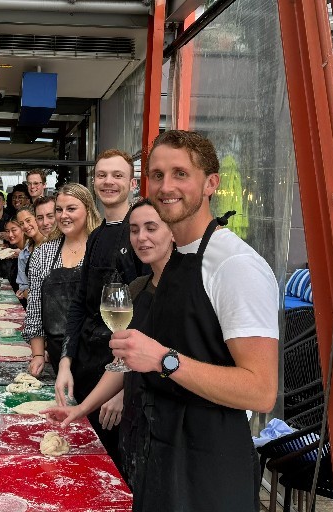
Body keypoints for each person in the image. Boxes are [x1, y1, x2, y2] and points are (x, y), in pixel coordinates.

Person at [46, 131, 279, 511]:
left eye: (180, 174)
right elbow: (132, 359)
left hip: (208, 470)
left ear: (211, 184)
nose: (166, 186)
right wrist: (81, 409)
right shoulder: (171, 265)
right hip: (157, 456)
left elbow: (261, 390)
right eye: (157, 175)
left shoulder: (234, 265)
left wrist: (163, 360)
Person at [57, 149, 147, 465]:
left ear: (133, 184)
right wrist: (65, 363)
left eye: (117, 175)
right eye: (102, 175)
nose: (108, 182)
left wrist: (128, 389)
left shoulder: (141, 235)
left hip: (121, 377)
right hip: (86, 366)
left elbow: (150, 318)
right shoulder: (95, 237)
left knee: (112, 470)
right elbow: (79, 305)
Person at [23, 183, 101, 376]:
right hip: (57, 353)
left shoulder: (100, 249)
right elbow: (34, 308)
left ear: (88, 209)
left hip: (97, 354)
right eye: (59, 210)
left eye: (71, 209)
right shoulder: (43, 252)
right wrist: (38, 355)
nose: (63, 215)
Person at [15, 206, 45, 306]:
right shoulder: (24, 253)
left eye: (28, 220)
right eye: (21, 224)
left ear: (37, 218)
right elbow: (23, 286)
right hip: (34, 307)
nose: (26, 226)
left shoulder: (51, 244)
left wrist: (27, 293)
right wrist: (25, 292)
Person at [0, 217, 25, 290]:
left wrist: (21, 253)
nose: (10, 235)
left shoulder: (29, 250)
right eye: (7, 231)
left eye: (14, 230)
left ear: (23, 229)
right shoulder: (16, 249)